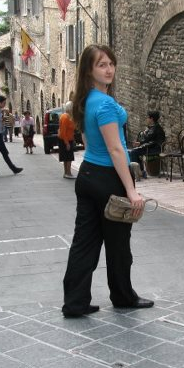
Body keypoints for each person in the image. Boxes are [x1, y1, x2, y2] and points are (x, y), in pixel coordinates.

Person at [61, 44, 153, 318]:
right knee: (118, 243)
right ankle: (123, 296)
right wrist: (131, 190)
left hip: (87, 173)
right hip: (108, 178)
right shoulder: (105, 104)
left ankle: (75, 303)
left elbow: (88, 140)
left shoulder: (84, 101)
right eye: (102, 65)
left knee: (84, 243)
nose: (109, 69)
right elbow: (115, 149)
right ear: (89, 70)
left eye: (111, 63)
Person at [0, 96, 23, 176]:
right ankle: (14, 169)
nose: (4, 104)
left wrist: (2, 119)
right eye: (3, 103)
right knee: (4, 152)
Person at [128, 110, 166, 179]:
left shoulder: (155, 128)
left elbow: (148, 139)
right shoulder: (154, 127)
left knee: (133, 152)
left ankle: (139, 172)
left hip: (154, 149)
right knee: (134, 151)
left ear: (151, 119)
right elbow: (149, 139)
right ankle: (141, 171)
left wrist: (141, 142)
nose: (147, 119)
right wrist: (140, 143)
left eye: (148, 117)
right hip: (152, 147)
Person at [58, 102, 77, 179]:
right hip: (65, 140)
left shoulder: (67, 116)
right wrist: (67, 143)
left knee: (66, 157)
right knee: (68, 157)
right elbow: (63, 131)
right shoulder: (65, 117)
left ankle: (66, 173)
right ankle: (68, 173)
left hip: (68, 139)